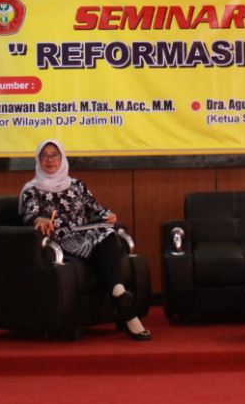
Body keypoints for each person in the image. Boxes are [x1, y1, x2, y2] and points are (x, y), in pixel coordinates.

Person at [20, 139, 152, 341]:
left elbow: (96, 210)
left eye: (54, 155)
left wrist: (108, 216)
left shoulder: (77, 185)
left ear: (62, 158)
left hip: (84, 233)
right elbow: (30, 215)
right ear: (38, 160)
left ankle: (118, 293)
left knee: (108, 234)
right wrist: (40, 219)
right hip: (60, 241)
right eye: (44, 156)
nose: (50, 160)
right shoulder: (32, 190)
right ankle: (124, 306)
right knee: (98, 243)